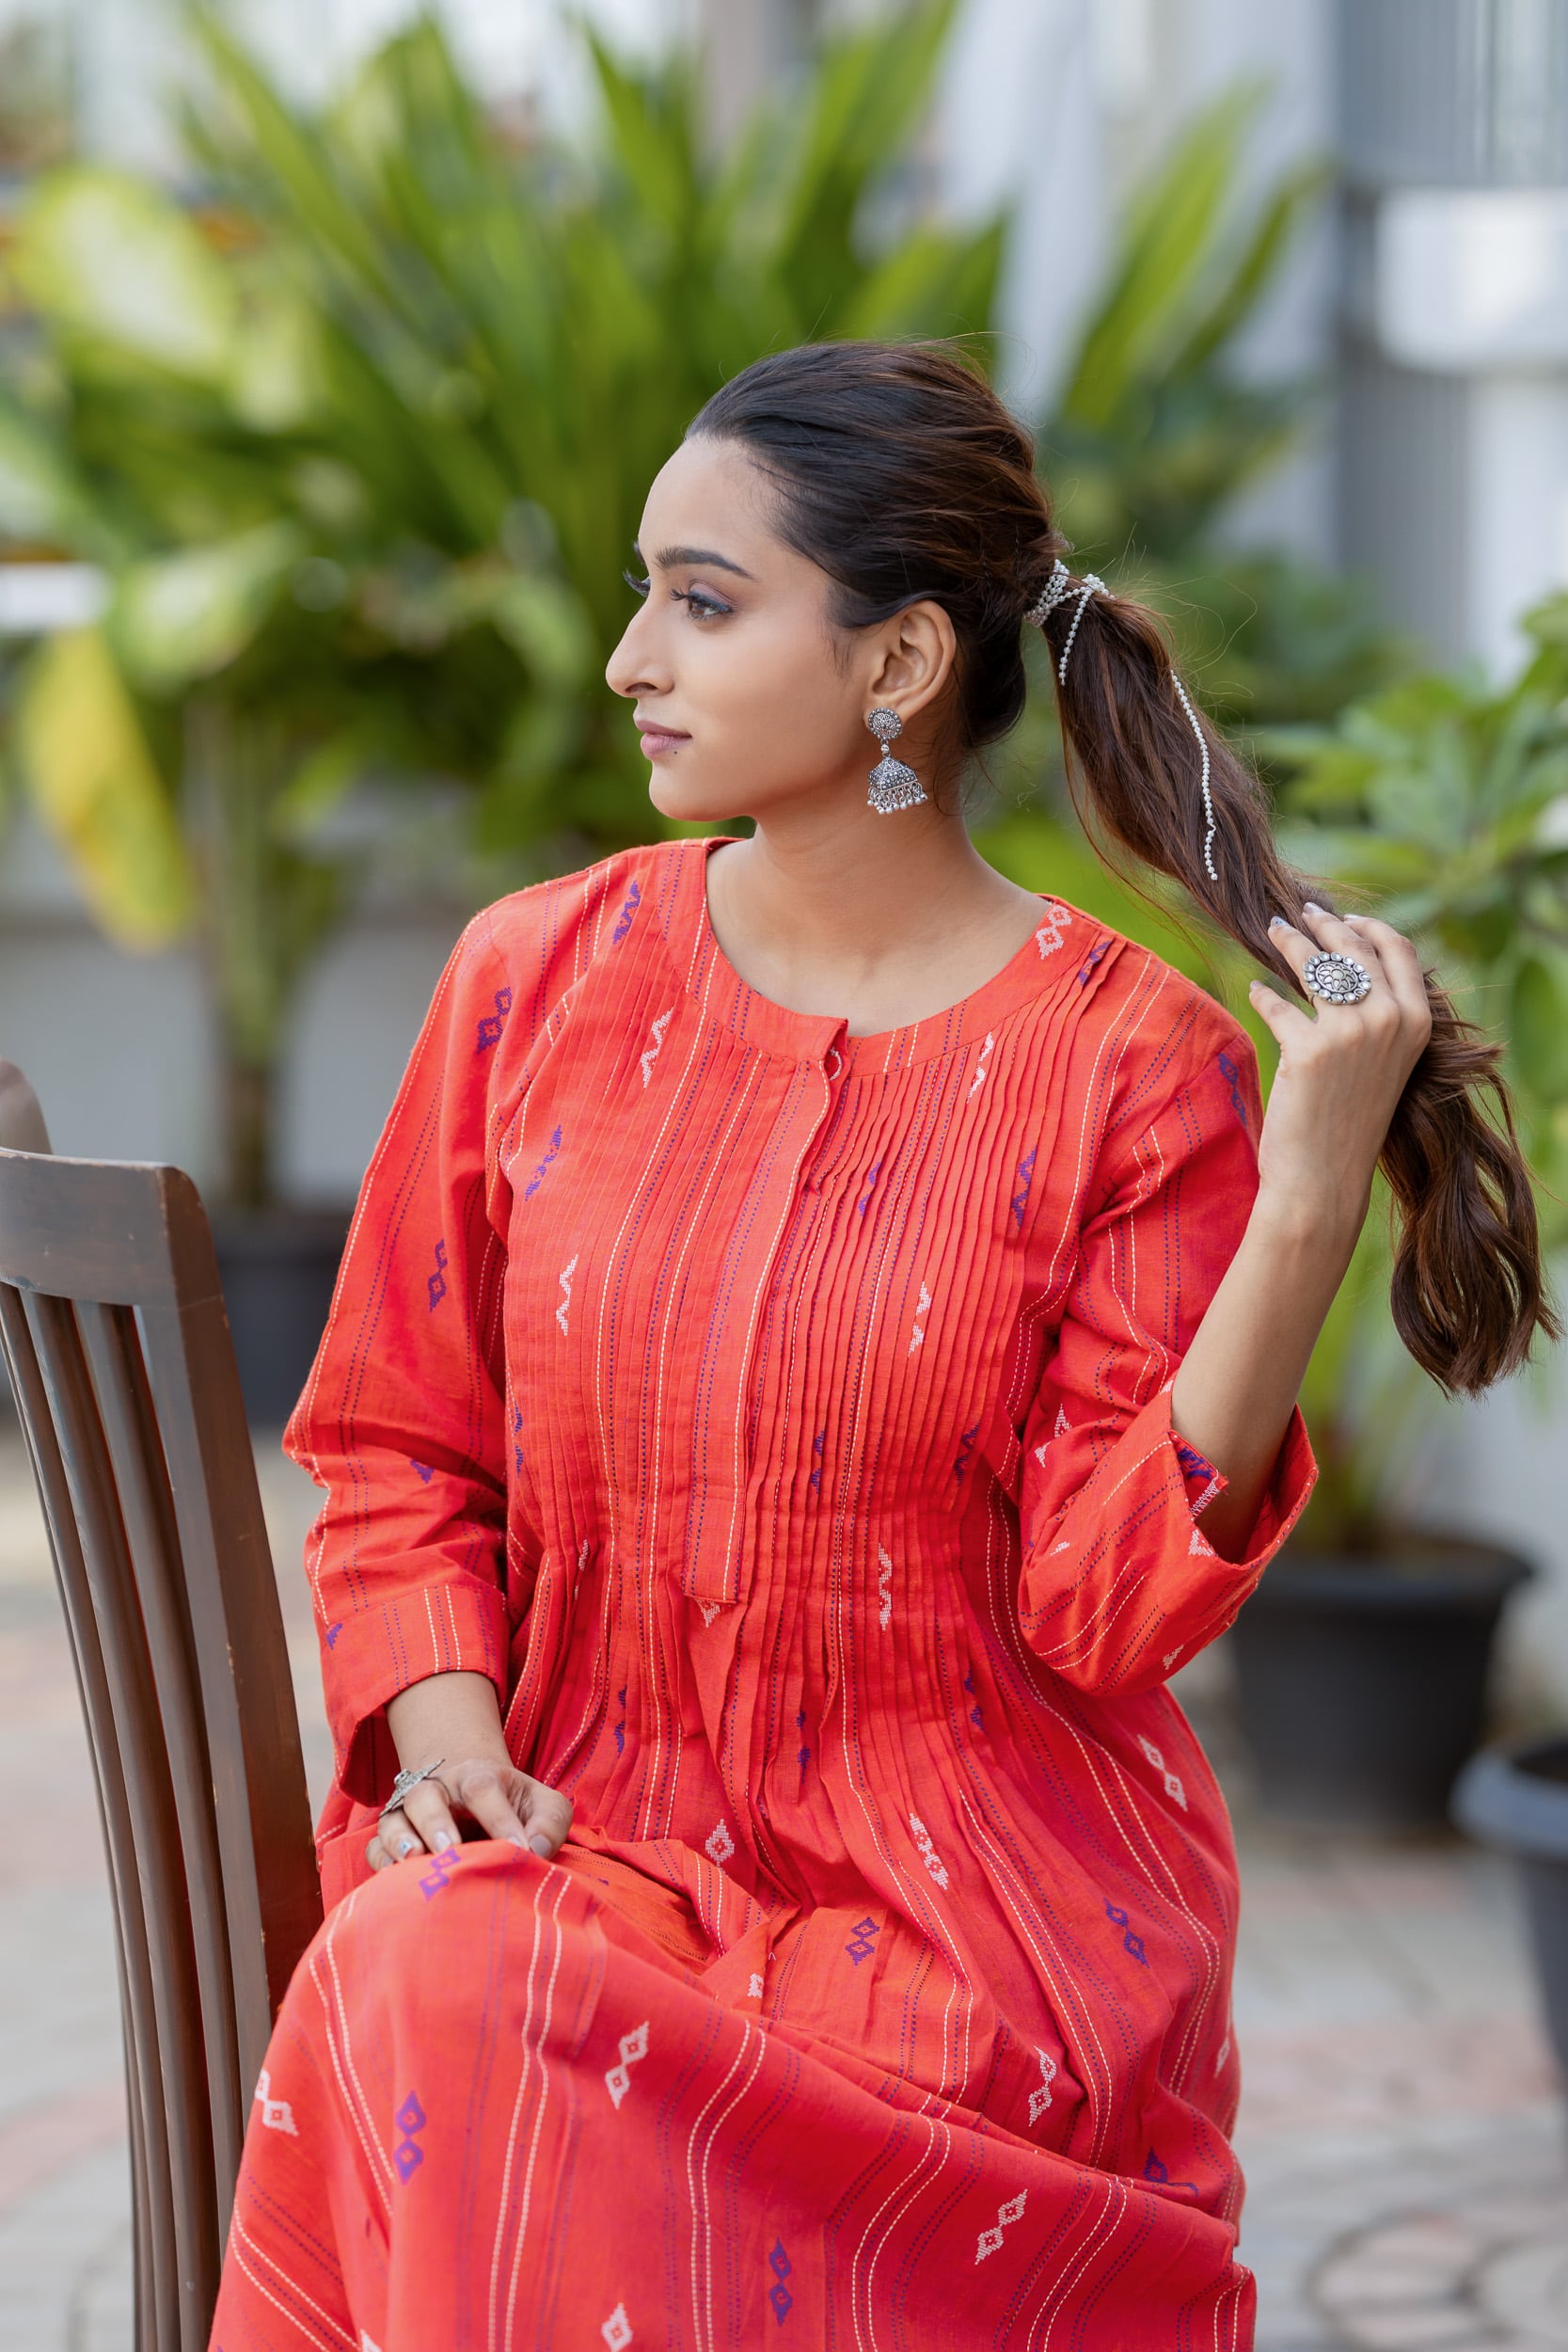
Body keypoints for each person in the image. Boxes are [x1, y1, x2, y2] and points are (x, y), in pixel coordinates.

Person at [209, 342, 1551, 2350]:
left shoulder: (1129, 1066)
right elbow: (399, 1448)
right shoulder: (533, 981)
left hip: (967, 1944)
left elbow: (1105, 1610)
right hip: (567, 1843)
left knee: (471, 2000)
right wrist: (455, 1745)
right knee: (449, 1971)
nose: (624, 657)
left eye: (701, 597)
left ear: (901, 660)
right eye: (644, 587)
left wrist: (1308, 1192)